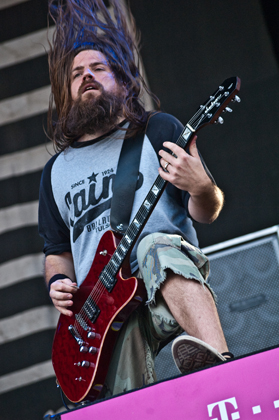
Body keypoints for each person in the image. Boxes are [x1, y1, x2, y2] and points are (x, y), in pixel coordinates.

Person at [39, 0, 233, 399]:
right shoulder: (55, 172)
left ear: (123, 82)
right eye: (77, 74)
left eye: (98, 68)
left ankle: (224, 366)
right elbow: (57, 251)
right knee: (126, 403)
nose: (86, 77)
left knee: (153, 244)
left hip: (168, 279)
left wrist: (200, 186)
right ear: (67, 92)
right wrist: (58, 281)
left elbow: (207, 210)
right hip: (106, 308)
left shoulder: (156, 129)